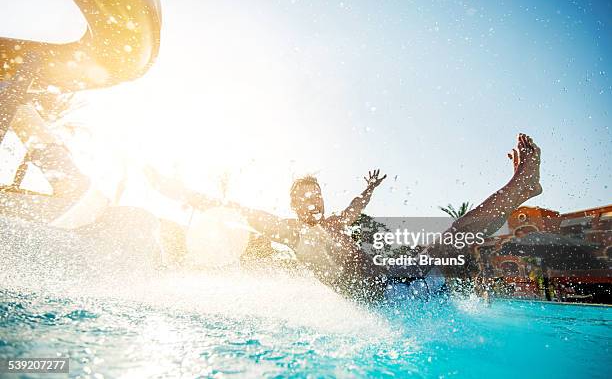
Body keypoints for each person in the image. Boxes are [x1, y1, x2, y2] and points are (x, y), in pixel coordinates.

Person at [146, 133, 543, 304]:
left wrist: (369, 189)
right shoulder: (289, 231)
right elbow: (230, 208)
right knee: (454, 238)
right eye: (304, 198)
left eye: (316, 196)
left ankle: (520, 187)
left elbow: (354, 207)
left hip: (395, 277)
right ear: (293, 205)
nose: (312, 203)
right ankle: (521, 187)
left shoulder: (333, 224)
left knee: (453, 239)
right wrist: (177, 191)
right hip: (385, 291)